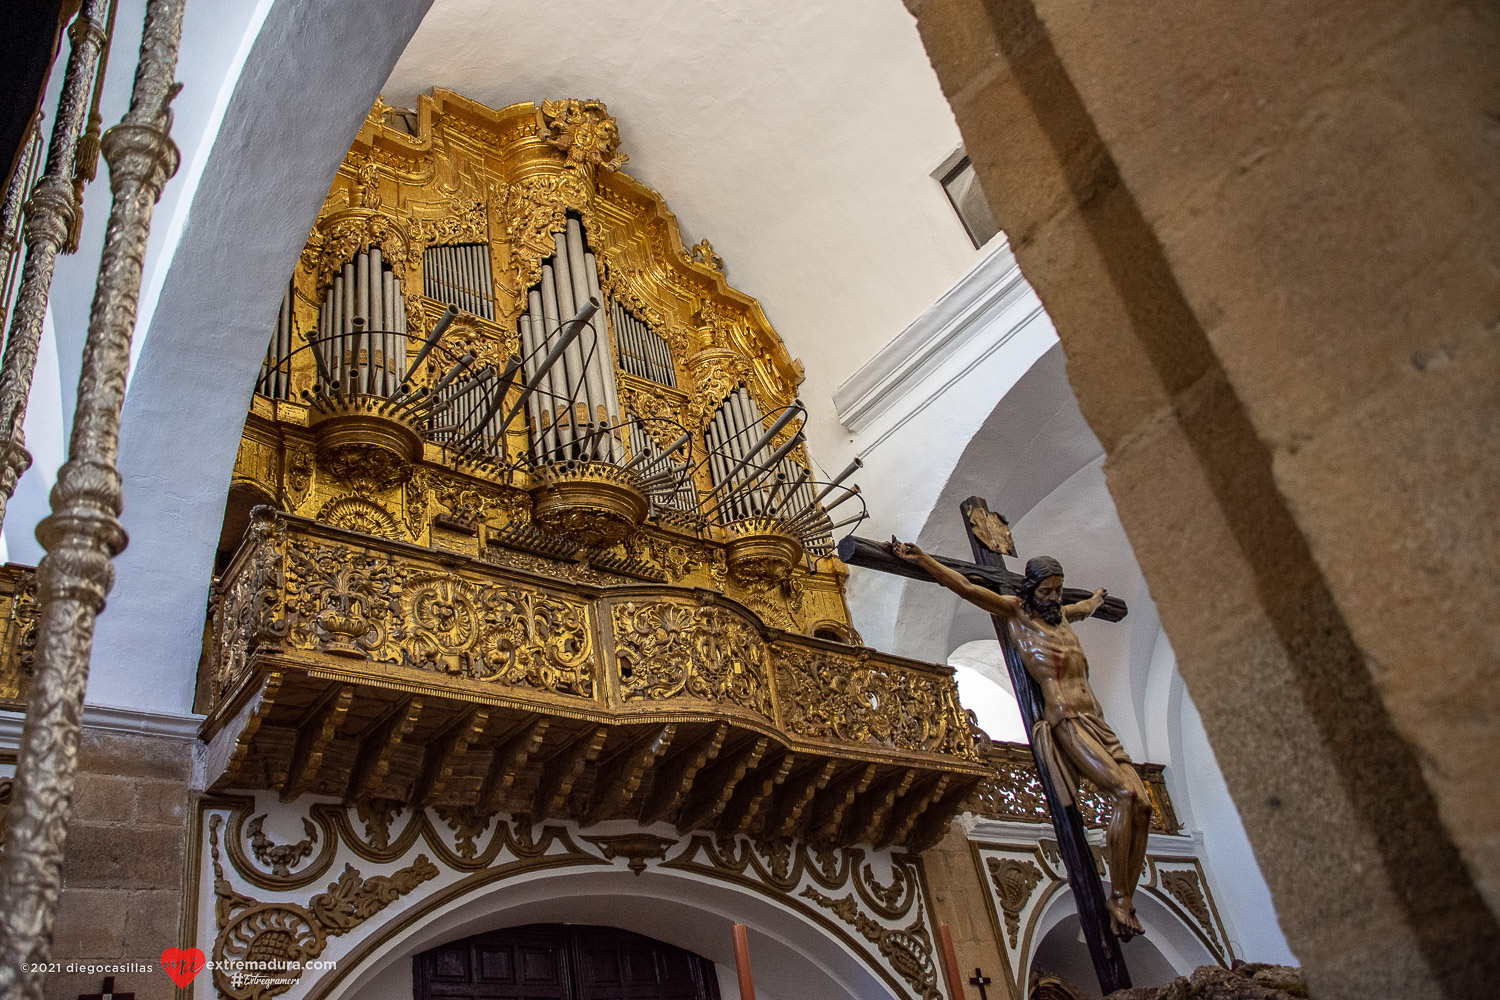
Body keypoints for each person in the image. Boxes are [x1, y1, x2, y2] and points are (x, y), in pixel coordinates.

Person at [890, 538, 1152, 938]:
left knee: (1145, 805)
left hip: (1099, 722)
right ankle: (1117, 899)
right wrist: (923, 559)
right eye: (1047, 591)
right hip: (1066, 720)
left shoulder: (1063, 616)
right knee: (1125, 796)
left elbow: (1087, 606)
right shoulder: (1016, 613)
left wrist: (1098, 597)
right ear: (1029, 589)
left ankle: (1126, 895)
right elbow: (966, 587)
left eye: (1059, 590)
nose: (1054, 597)